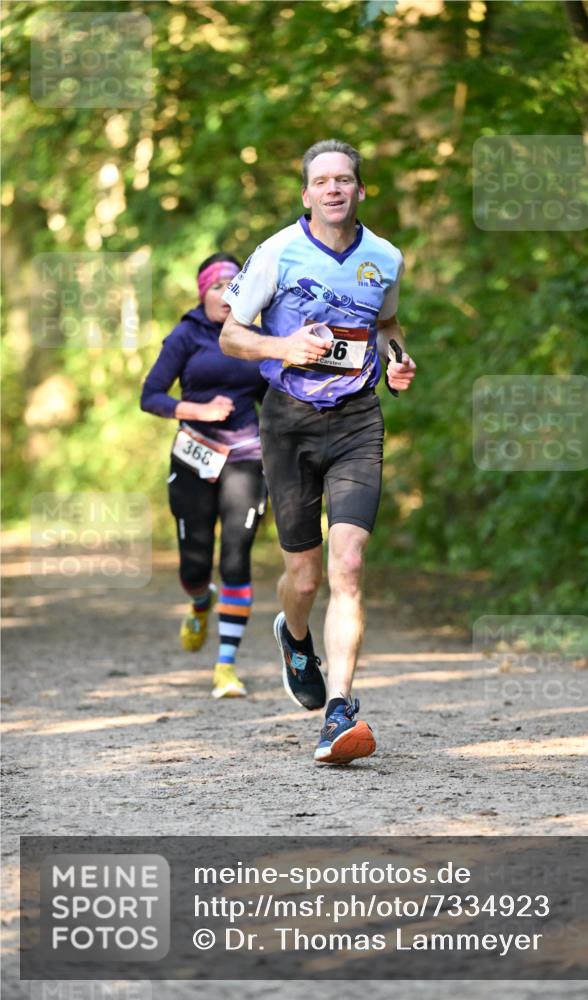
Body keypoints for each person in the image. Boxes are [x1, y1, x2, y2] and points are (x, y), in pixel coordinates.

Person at [220, 139, 416, 764]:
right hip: (289, 423)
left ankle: (339, 710)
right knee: (303, 577)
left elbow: (386, 325)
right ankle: (295, 636)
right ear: (306, 194)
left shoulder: (385, 258)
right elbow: (231, 334)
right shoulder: (278, 251)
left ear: (360, 191)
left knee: (349, 566)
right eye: (322, 181)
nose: (333, 189)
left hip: (358, 421)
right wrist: (283, 349)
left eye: (345, 180)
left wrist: (397, 360)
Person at [141, 252, 267, 698]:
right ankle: (199, 599)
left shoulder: (256, 334)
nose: (226, 294)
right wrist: (199, 409)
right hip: (194, 455)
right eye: (217, 286)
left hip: (246, 456)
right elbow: (150, 395)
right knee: (195, 563)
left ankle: (226, 666)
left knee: (236, 556)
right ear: (203, 292)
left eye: (234, 285)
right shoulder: (186, 335)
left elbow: (276, 391)